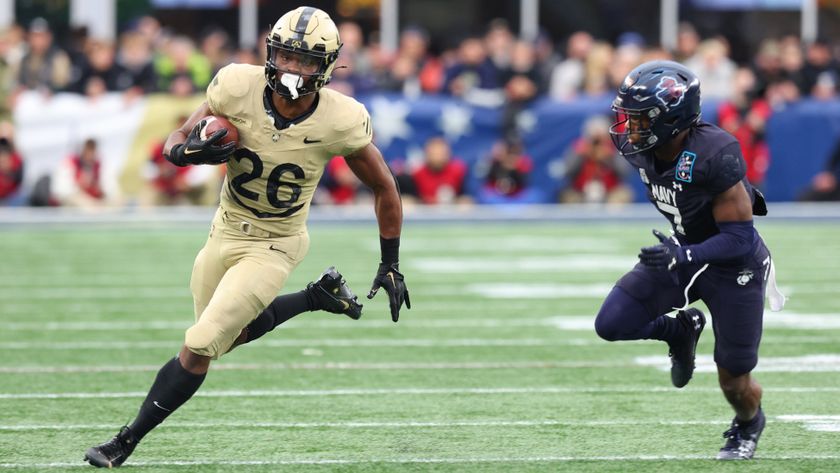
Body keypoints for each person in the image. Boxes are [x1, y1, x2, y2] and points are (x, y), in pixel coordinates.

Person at [84, 7, 410, 468]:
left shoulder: (341, 118)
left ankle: (124, 441)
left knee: (200, 345)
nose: (293, 69)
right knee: (224, 338)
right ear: (270, 52)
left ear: (328, 67)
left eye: (306, 61)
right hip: (223, 230)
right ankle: (317, 296)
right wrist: (184, 152)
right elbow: (178, 135)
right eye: (286, 56)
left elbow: (384, 185)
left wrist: (390, 261)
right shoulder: (237, 85)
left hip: (275, 243)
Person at [594, 61, 785, 461]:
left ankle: (749, 423)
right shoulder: (639, 148)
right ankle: (679, 331)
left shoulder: (715, 153)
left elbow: (738, 238)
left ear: (672, 118)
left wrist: (685, 254)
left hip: (737, 266)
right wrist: (681, 253)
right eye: (627, 118)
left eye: (640, 119)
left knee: (734, 379)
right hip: (683, 249)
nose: (629, 128)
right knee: (612, 323)